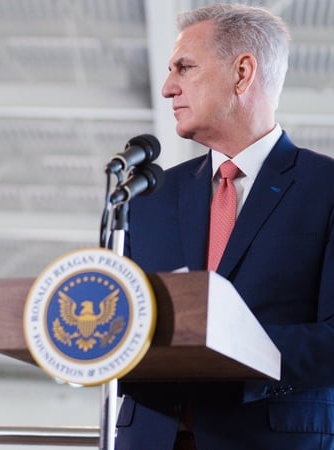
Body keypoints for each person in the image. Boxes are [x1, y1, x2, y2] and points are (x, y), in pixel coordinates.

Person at [116, 3, 334, 450]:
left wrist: (228, 345)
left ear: (242, 73)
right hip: (151, 437)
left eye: (185, 67)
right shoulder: (148, 196)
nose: (167, 87)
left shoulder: (326, 188)